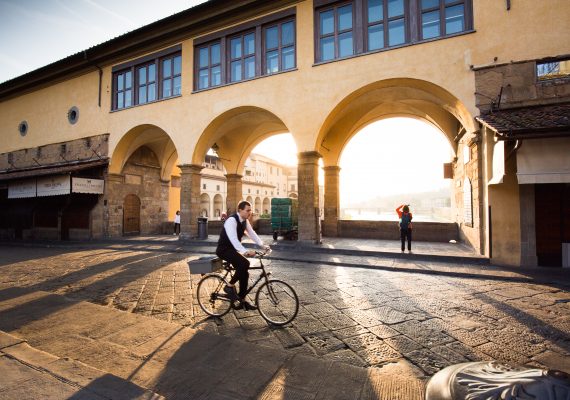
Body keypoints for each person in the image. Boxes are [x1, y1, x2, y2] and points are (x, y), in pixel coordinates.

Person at [216, 201, 270, 310]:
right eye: (248, 210)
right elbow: (233, 239)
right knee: (245, 263)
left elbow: (252, 233)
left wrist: (263, 245)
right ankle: (229, 286)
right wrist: (245, 251)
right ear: (240, 210)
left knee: (244, 274)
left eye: (250, 210)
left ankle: (242, 300)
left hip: (232, 250)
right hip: (224, 249)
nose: (250, 212)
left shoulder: (245, 221)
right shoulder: (231, 220)